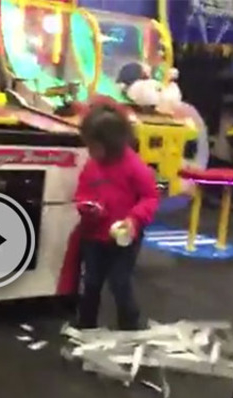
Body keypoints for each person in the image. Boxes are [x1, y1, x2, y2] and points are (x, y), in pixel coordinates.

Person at [74, 103, 159, 331]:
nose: (90, 151)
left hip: (124, 238)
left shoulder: (134, 166)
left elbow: (150, 197)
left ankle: (130, 325)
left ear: (111, 145)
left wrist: (134, 219)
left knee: (120, 282)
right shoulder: (92, 166)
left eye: (94, 146)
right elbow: (82, 191)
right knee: (91, 281)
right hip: (94, 234)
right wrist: (86, 206)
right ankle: (86, 324)